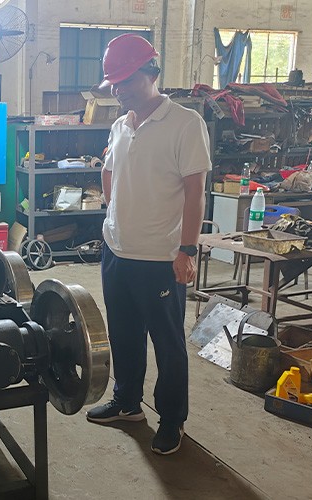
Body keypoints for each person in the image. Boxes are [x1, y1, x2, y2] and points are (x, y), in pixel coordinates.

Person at [84, 34, 210, 456]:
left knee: (168, 343)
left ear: (150, 74)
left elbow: (195, 192)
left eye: (125, 81)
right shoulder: (121, 124)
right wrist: (114, 212)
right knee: (123, 334)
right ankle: (127, 403)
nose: (118, 90)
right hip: (117, 250)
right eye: (114, 83)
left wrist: (187, 250)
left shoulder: (185, 124)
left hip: (161, 257)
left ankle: (171, 419)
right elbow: (109, 170)